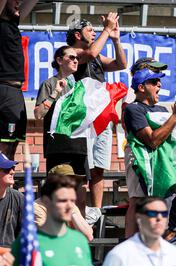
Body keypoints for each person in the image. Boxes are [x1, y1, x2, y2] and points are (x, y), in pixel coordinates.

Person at [122, 68, 176, 237]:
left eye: (159, 81)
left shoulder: (162, 109)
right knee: (139, 202)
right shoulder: (133, 109)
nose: (159, 84)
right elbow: (152, 141)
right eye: (154, 82)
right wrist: (174, 117)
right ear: (141, 87)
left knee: (168, 214)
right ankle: (131, 247)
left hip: (165, 166)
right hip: (143, 164)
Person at [67, 15, 127, 210]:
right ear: (78, 34)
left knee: (98, 168)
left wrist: (116, 39)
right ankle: (81, 212)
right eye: (89, 29)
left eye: (95, 29)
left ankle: (97, 212)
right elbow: (91, 54)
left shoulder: (97, 54)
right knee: (83, 169)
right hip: (83, 119)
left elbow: (121, 64)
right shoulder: (74, 53)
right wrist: (107, 30)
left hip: (102, 116)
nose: (94, 32)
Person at [9, 175, 97, 266]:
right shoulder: (27, 243)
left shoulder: (79, 241)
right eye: (62, 201)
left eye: (72, 201)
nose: (69, 206)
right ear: (46, 201)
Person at [34, 45, 89, 216]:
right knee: (61, 193)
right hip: (59, 147)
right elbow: (37, 114)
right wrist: (55, 92)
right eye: (71, 57)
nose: (75, 60)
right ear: (59, 60)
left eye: (77, 58)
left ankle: (78, 234)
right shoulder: (49, 84)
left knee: (80, 195)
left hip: (79, 146)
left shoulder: (82, 85)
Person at [98, 197, 176, 266]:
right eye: (152, 213)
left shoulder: (175, 253)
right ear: (139, 218)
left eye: (164, 214)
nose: (159, 218)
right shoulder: (120, 254)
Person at [0, 0, 38, 160]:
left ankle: (4, 182)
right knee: (3, 144)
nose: (18, 3)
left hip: (16, 91)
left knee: (13, 142)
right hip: (3, 88)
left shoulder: (13, 22)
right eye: (14, 0)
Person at [34, 164, 93, 242]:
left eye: (72, 182)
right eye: (64, 183)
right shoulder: (37, 207)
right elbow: (50, 236)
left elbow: (89, 235)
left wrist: (72, 213)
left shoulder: (70, 205)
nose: (71, 187)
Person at [0, 152, 23, 248]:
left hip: (12, 256)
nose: (12, 172)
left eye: (13, 168)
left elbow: (25, 235)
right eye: (7, 169)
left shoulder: (19, 198)